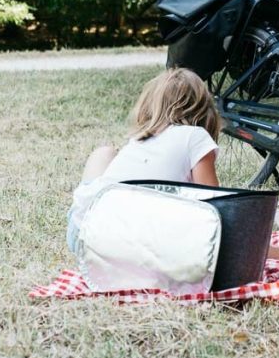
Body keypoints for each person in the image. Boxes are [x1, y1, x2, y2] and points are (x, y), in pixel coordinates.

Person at [66, 67, 220, 253]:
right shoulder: (196, 136)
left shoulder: (140, 139)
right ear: (204, 109)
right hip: (144, 246)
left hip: (87, 239)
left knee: (104, 154)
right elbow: (215, 209)